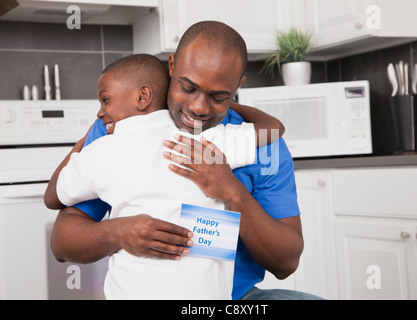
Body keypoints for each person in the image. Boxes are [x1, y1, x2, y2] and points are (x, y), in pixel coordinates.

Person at [47, 21, 322, 300]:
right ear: (171, 67)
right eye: (187, 87)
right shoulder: (120, 126)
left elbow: (286, 263)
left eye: (218, 96)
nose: (198, 108)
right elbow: (60, 242)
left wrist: (232, 192)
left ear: (237, 86)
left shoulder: (257, 143)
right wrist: (118, 232)